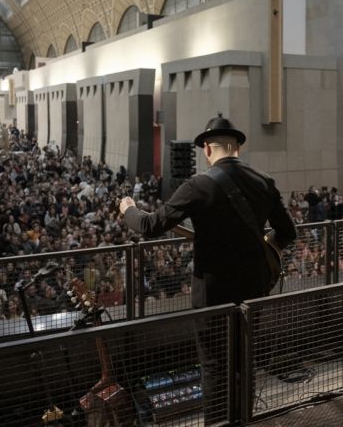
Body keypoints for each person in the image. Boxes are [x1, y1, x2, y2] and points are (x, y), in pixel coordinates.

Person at [120, 114, 297, 307]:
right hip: (254, 285)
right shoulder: (264, 182)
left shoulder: (197, 185)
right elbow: (288, 232)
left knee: (214, 338)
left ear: (207, 148)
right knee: (246, 336)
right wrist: (262, 243)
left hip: (213, 293)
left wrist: (129, 209)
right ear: (238, 147)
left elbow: (150, 225)